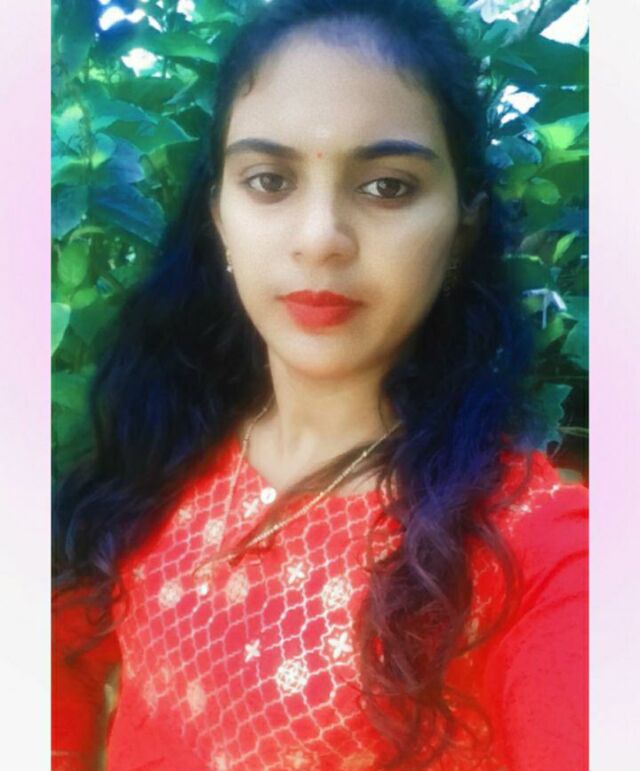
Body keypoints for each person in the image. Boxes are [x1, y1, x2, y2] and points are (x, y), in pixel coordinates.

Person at [52, 1, 588, 769]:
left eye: (388, 187)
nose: (319, 239)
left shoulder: (530, 550)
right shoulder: (164, 440)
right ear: (218, 214)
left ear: (462, 227)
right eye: (269, 180)